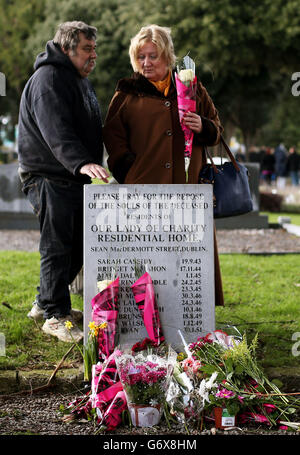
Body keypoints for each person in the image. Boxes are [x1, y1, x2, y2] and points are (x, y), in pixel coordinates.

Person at [103, 24, 224, 306]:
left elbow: (217, 128)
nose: (146, 63)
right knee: (150, 259)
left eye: (152, 56)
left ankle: (189, 316)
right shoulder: (126, 93)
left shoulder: (191, 87)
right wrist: (128, 170)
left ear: (167, 56)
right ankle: (148, 319)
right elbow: (112, 135)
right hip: (144, 191)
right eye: (141, 57)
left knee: (186, 256)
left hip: (187, 187)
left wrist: (203, 126)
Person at [17, 21, 109, 342]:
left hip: (70, 176)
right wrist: (82, 162)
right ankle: (55, 315)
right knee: (57, 245)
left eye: (94, 48)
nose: (93, 55)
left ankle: (45, 303)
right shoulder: (48, 80)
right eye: (87, 49)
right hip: (47, 175)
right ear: (68, 48)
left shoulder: (75, 79)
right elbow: (57, 132)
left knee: (79, 244)